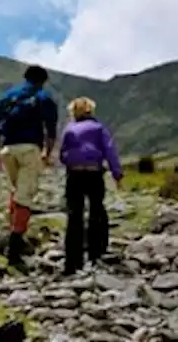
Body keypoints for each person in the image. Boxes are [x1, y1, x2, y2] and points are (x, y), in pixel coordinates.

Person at [0, 64, 59, 266]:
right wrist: (47, 151)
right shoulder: (43, 97)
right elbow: (51, 128)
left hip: (7, 148)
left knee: (15, 190)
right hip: (29, 149)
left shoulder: (8, 96)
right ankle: (15, 244)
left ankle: (12, 230)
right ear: (43, 80)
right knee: (25, 197)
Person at [58, 96, 123, 275]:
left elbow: (62, 154)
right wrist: (117, 172)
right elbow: (109, 150)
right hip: (94, 172)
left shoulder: (69, 129)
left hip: (74, 174)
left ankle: (72, 261)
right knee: (96, 210)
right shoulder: (99, 128)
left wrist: (71, 161)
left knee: (74, 214)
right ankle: (96, 253)